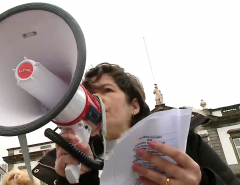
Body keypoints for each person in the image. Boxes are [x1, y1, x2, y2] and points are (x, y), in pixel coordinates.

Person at [32, 63, 239, 185]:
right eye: (89, 93)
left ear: (135, 106)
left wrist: (202, 182)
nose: (96, 98)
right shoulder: (70, 162)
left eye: (107, 90)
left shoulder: (182, 141)